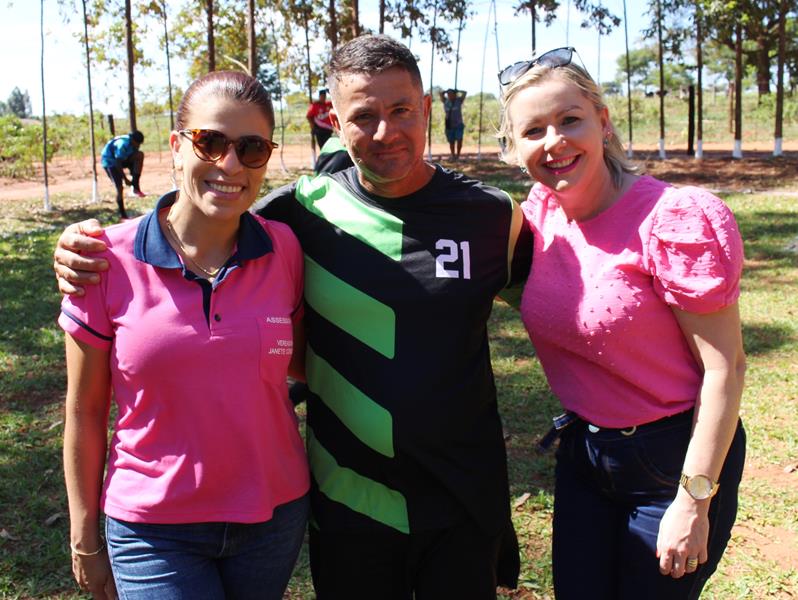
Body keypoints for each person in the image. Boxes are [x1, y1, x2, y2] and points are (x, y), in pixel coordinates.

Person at [54, 35, 532, 599]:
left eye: (402, 110)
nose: (385, 131)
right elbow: (208, 210)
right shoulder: (297, 218)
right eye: (363, 116)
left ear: (426, 108)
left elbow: (570, 312)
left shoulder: (494, 218)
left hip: (462, 504)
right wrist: (84, 247)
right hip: (351, 509)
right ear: (334, 121)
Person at [497, 47, 746, 599]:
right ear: (514, 149)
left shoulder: (676, 219)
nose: (554, 142)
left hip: (672, 462)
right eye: (533, 130)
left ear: (603, 122)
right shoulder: (539, 213)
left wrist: (693, 500)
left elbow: (724, 368)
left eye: (570, 120)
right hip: (585, 458)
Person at [60, 70, 309, 600]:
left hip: (273, 517)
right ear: (177, 146)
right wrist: (85, 537)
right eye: (211, 142)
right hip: (153, 528)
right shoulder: (103, 261)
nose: (230, 165)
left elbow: (303, 364)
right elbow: (84, 410)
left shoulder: (285, 249)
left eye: (251, 148)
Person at [100, 130, 146, 219]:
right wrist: (125, 179)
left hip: (122, 159)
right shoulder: (122, 144)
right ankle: (123, 214)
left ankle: (135, 186)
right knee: (119, 187)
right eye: (137, 144)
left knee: (140, 155)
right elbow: (118, 163)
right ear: (133, 140)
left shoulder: (132, 145)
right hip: (110, 162)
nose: (138, 146)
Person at [438, 88, 467, 160]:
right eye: (448, 94)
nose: (449, 95)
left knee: (459, 140)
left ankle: (458, 155)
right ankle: (453, 155)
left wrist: (457, 91)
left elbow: (465, 92)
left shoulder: (458, 101)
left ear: (455, 94)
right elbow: (440, 94)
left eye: (451, 94)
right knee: (451, 141)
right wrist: (446, 91)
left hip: (458, 124)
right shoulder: (445, 101)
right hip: (449, 125)